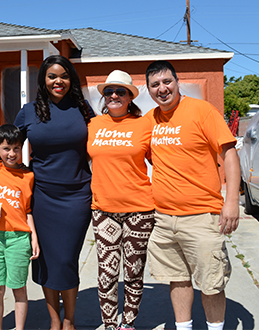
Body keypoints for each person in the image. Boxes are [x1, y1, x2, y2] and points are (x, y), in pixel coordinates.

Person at [143, 61, 240, 330]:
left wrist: (231, 202)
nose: (162, 89)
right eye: (155, 85)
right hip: (163, 219)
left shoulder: (202, 111)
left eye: (166, 82)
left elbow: (229, 155)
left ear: (177, 82)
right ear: (149, 90)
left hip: (202, 216)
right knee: (178, 278)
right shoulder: (150, 120)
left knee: (211, 282)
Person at [14, 55, 94, 330]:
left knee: (66, 258)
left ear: (71, 79)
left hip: (78, 196)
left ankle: (70, 320)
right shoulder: (29, 111)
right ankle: (53, 320)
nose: (58, 81)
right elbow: (7, 145)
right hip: (43, 197)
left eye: (63, 75)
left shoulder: (83, 109)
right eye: (51, 76)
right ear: (43, 81)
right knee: (47, 259)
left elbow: (102, 144)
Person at [87, 70, 155, 330]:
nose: (114, 95)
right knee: (107, 273)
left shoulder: (144, 125)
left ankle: (128, 324)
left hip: (140, 209)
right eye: (109, 91)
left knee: (134, 271)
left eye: (120, 92)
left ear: (130, 97)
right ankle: (109, 325)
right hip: (103, 209)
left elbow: (161, 161)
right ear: (104, 97)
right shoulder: (93, 125)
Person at [0, 124, 38, 330]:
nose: (11, 153)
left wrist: (34, 237)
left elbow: (28, 211)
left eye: (16, 148)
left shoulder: (28, 176)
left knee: (18, 288)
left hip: (18, 239)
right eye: (6, 148)